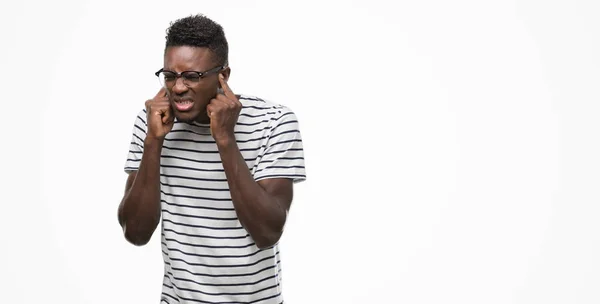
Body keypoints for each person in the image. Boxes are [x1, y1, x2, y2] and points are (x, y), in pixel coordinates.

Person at [117, 14, 306, 303]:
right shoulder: (152, 121)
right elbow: (136, 232)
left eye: (192, 76)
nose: (178, 87)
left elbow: (267, 232)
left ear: (223, 76)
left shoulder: (274, 121)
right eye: (170, 76)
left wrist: (225, 139)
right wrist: (154, 141)